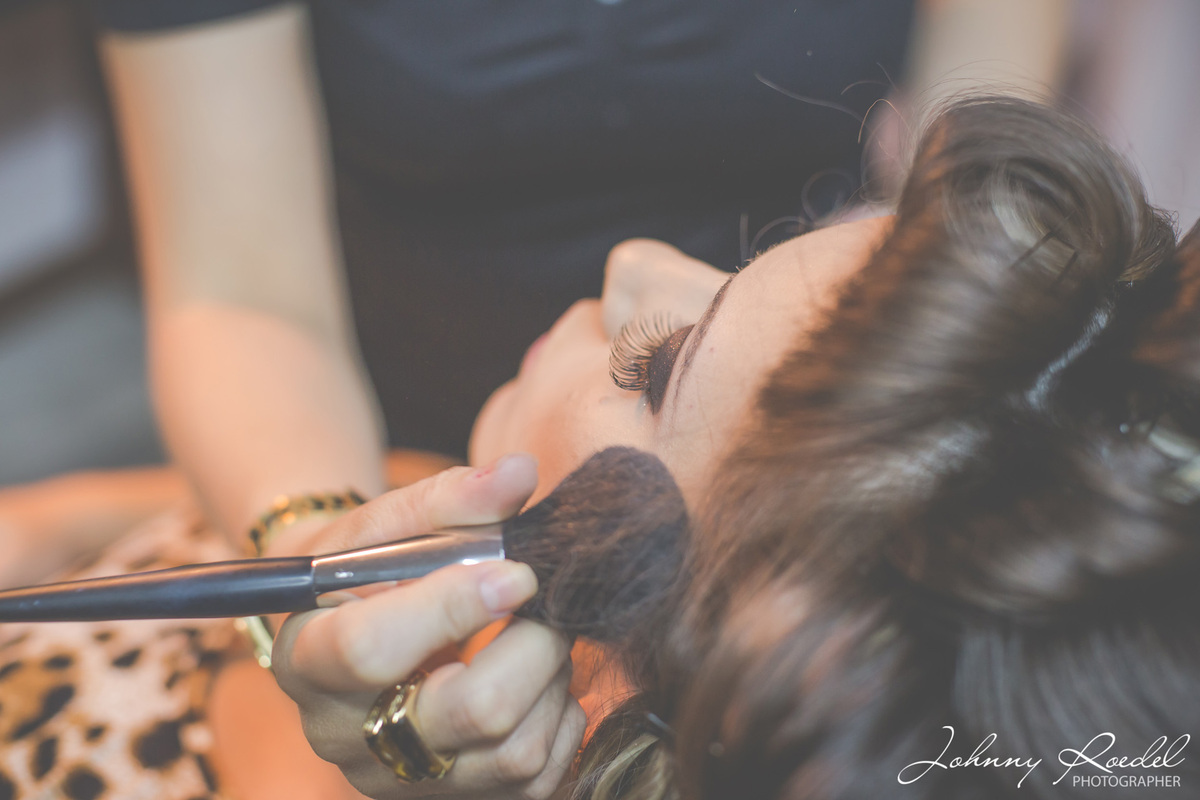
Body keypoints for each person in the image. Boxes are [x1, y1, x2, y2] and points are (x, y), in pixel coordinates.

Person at [2, 95, 1197, 799]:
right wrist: (46, 527)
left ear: (621, 688)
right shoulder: (444, 524)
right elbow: (139, 513)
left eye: (659, 367)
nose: (635, 261)